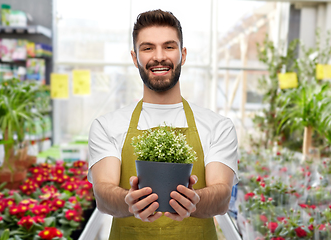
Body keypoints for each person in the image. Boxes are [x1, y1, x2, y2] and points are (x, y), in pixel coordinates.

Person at [88, 9, 239, 240]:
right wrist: (128, 202)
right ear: (134, 57)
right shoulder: (107, 126)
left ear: (183, 54)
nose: (159, 56)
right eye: (147, 48)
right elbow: (103, 192)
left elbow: (222, 196)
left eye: (169, 47)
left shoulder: (218, 126)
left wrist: (194, 201)